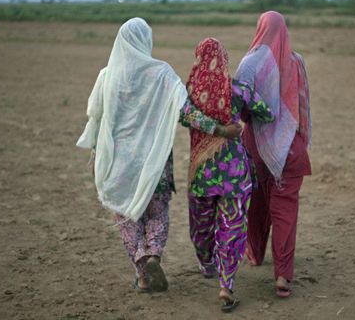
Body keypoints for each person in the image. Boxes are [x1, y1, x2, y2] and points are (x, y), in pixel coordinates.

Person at [75, 18, 240, 293]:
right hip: (155, 163)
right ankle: (154, 255)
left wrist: (95, 155)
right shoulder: (162, 74)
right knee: (157, 213)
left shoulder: (107, 76)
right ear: (146, 41)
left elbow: (96, 119)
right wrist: (220, 129)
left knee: (127, 219)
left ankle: (142, 274)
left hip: (118, 163)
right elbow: (186, 113)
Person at [185, 38, 274, 312]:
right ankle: (227, 285)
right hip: (235, 174)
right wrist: (238, 118)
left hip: (202, 173)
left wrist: (212, 127)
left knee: (201, 226)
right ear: (224, 59)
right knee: (232, 228)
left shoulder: (189, 91)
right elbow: (267, 113)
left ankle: (206, 261)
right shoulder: (238, 89)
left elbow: (186, 116)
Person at [234, 11, 312, 298]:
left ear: (260, 28)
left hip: (257, 148)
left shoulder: (250, 63)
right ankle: (282, 276)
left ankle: (254, 255)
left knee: (256, 204)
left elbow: (241, 109)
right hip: (291, 148)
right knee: (285, 212)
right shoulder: (297, 61)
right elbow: (302, 106)